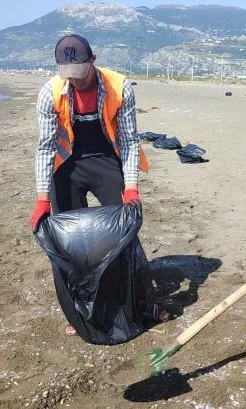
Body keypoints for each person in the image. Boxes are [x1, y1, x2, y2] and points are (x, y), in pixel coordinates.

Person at [29, 34, 164, 335]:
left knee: (125, 232)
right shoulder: (49, 93)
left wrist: (131, 188)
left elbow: (129, 140)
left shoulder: (120, 87)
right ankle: (80, 313)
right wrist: (42, 199)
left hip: (106, 157)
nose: (76, 82)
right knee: (68, 242)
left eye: (81, 73)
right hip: (67, 164)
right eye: (69, 76)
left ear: (93, 60)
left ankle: (142, 304)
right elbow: (45, 147)